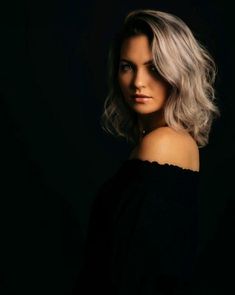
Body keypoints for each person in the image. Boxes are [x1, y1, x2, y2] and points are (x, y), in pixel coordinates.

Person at [75, 9, 220, 295]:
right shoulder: (173, 141)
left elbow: (128, 274)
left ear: (178, 72)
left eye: (153, 68)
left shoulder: (163, 143)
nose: (138, 82)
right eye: (127, 66)